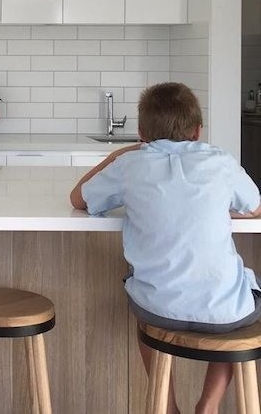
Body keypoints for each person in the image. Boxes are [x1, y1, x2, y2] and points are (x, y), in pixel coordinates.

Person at [70, 82, 261, 414]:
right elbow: (255, 206)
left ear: (141, 132)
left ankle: (167, 403)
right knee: (244, 314)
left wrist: (120, 153)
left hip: (156, 308)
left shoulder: (129, 165)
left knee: (148, 313)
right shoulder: (220, 161)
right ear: (198, 130)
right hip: (225, 313)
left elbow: (78, 199)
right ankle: (210, 403)